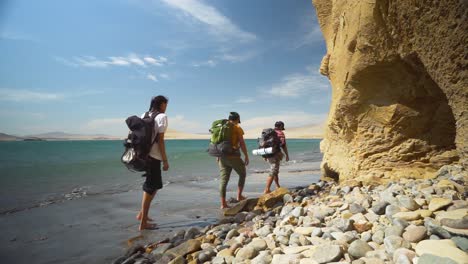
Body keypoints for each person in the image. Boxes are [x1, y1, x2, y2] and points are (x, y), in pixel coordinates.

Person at [136, 95, 169, 230]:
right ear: (161, 104)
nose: (166, 107)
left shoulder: (144, 114)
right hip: (154, 156)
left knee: (154, 185)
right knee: (150, 187)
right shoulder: (162, 117)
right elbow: (160, 141)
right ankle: (143, 223)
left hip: (143, 155)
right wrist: (165, 160)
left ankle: (141, 214)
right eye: (166, 104)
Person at [218, 112, 249, 209]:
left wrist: (217, 156)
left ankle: (223, 204)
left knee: (223, 180)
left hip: (222, 157)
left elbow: (216, 143)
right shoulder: (237, 128)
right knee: (242, 174)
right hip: (234, 156)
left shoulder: (221, 128)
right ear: (237, 119)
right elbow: (242, 143)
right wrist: (246, 155)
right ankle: (239, 196)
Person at [264, 121, 289, 194]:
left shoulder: (268, 133)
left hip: (268, 153)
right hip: (275, 154)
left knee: (275, 170)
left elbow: (263, 144)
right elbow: (283, 145)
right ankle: (267, 189)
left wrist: (264, 155)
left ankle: (277, 186)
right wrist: (287, 155)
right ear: (281, 126)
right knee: (273, 171)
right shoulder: (280, 133)